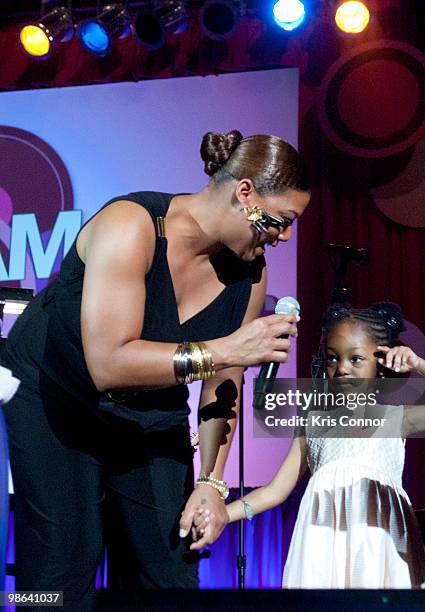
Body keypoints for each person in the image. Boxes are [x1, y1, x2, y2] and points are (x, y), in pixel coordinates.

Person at [2, 130, 311, 608]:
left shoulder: (250, 273)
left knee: (170, 570)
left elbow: (222, 381)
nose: (285, 236)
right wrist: (226, 350)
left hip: (151, 411)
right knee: (56, 576)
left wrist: (210, 480)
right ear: (244, 192)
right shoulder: (132, 225)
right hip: (55, 401)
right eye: (282, 220)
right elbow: (109, 363)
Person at [220, 302, 425, 588]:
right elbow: (275, 491)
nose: (342, 369)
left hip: (379, 543)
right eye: (333, 359)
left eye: (356, 359)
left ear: (379, 362)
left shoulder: (397, 418)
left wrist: (418, 364)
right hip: (325, 545)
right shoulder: (313, 424)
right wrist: (222, 515)